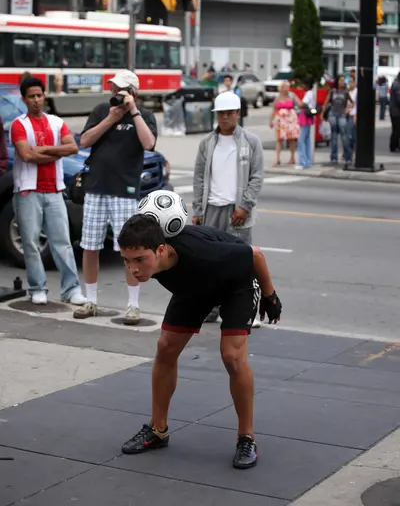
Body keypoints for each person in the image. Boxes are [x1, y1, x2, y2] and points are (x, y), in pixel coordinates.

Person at [117, 214, 283, 469]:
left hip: (235, 283)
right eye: (127, 261)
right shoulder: (154, 260)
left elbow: (256, 255)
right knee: (165, 349)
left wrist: (270, 296)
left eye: (140, 260)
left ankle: (246, 438)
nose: (134, 268)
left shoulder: (202, 252)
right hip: (194, 286)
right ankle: (158, 429)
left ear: (161, 250)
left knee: (232, 356)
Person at [74, 70, 157, 324]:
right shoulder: (102, 110)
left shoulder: (144, 115)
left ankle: (133, 305)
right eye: (113, 89)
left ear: (134, 93)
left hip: (125, 190)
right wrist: (111, 118)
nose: (116, 94)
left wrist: (132, 112)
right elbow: (85, 141)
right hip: (97, 187)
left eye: (121, 90)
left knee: (130, 248)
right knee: (90, 245)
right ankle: (91, 300)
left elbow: (149, 144)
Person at [10, 77, 86, 306]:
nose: (36, 100)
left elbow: (73, 147)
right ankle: (37, 287)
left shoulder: (55, 122)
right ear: (23, 99)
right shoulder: (19, 124)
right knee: (31, 243)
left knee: (62, 241)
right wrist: (56, 153)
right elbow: (27, 155)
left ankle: (71, 289)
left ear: (44, 96)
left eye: (39, 95)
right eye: (31, 96)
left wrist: (44, 148)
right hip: (28, 191)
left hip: (54, 190)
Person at [193, 91, 264, 326]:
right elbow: (199, 178)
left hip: (237, 210)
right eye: (220, 113)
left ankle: (247, 311)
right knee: (211, 262)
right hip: (211, 208)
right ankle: (212, 309)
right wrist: (197, 210)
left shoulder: (251, 142)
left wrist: (245, 205)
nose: (224, 118)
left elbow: (257, 177)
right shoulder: (207, 143)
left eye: (228, 113)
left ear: (237, 114)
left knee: (242, 262)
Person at [322, 74, 354, 165]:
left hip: (342, 115)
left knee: (344, 137)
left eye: (343, 81)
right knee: (334, 136)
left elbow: (352, 103)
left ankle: (348, 157)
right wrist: (322, 114)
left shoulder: (345, 92)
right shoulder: (332, 91)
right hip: (333, 114)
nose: (342, 82)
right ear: (337, 81)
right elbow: (326, 103)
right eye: (341, 80)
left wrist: (348, 109)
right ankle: (334, 157)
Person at [269, 81, 301, 166]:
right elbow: (274, 109)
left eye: (285, 88)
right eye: (282, 88)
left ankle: (292, 157)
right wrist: (271, 120)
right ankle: (277, 158)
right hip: (280, 121)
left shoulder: (291, 95)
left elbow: (299, 104)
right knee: (279, 139)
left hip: (290, 120)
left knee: (291, 139)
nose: (283, 90)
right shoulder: (277, 97)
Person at [296, 78, 315, 170]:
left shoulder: (308, 93)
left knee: (301, 140)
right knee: (306, 140)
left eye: (304, 84)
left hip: (305, 117)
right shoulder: (311, 93)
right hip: (307, 118)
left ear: (307, 85)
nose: (303, 86)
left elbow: (302, 104)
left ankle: (302, 162)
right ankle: (307, 162)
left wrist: (296, 99)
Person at [389, 72, 400, 153]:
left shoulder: (395, 83)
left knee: (396, 129)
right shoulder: (397, 85)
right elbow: (399, 98)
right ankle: (394, 146)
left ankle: (395, 145)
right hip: (396, 111)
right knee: (396, 129)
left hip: (394, 110)